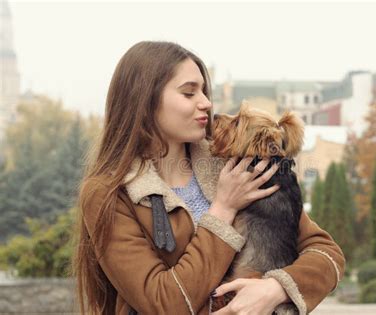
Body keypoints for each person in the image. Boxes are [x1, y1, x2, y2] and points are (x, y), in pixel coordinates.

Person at [72, 41, 345, 315]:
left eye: (203, 91)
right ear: (144, 101)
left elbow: (326, 253)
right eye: (189, 93)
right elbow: (163, 302)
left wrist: (275, 288)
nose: (206, 103)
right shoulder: (109, 192)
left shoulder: (236, 164)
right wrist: (224, 209)